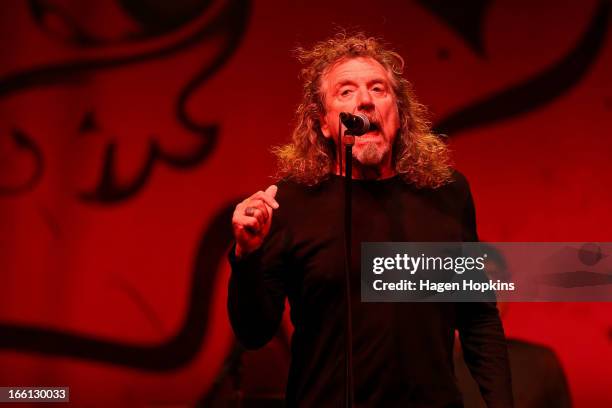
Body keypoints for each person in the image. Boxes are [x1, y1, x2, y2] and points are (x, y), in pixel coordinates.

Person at [228, 32, 513, 407]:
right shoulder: (290, 204)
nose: (364, 100)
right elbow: (253, 333)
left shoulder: (445, 194)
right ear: (324, 124)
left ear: (399, 111)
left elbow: (477, 317)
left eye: (377, 89)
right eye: (345, 92)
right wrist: (247, 256)